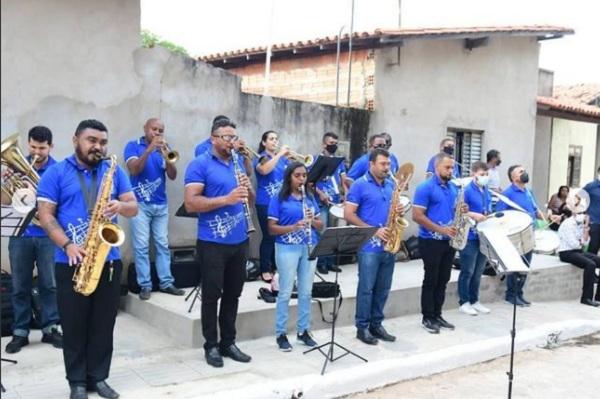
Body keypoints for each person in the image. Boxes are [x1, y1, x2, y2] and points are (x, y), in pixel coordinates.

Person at [37, 119, 138, 399]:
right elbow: (45, 216)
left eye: (103, 142)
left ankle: (99, 377)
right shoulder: (56, 173)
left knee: (104, 324)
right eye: (92, 140)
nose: (98, 147)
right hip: (70, 259)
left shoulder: (113, 170)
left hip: (108, 259)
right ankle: (77, 382)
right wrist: (68, 245)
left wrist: (121, 205)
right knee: (74, 324)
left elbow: (133, 207)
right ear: (75, 140)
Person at [184, 117, 253, 368]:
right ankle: (211, 345)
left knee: (234, 294)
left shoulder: (238, 163)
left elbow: (250, 201)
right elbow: (191, 203)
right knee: (212, 295)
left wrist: (247, 185)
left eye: (234, 137)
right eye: (226, 137)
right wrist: (227, 199)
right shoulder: (199, 164)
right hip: (212, 241)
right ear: (213, 139)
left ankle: (228, 342)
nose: (231, 142)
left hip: (240, 239)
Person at [2, 126, 63, 354]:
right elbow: (5, 202)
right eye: (33, 147)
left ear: (51, 147)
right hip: (20, 235)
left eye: (42, 148)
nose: (37, 152)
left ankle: (51, 328)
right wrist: (6, 182)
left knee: (49, 284)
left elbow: (60, 204)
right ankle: (20, 332)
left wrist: (38, 195)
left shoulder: (57, 170)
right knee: (19, 286)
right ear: (28, 144)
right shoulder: (15, 167)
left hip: (47, 235)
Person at [344, 148, 406, 345]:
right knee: (366, 288)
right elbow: (349, 214)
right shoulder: (359, 185)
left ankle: (376, 325)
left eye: (389, 164)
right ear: (371, 164)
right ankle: (362, 327)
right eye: (383, 164)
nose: (387, 168)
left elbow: (392, 211)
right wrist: (373, 230)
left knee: (383, 288)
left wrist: (399, 211)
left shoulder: (390, 185)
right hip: (369, 246)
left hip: (388, 244)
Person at [124, 118, 185, 300]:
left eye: (161, 130)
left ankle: (166, 283)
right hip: (140, 204)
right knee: (141, 246)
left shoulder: (163, 149)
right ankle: (145, 285)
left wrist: (168, 159)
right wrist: (150, 150)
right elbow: (134, 169)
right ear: (145, 129)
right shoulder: (133, 146)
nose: (158, 133)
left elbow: (173, 176)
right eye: (154, 129)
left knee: (162, 245)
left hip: (161, 204)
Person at [268, 162, 323, 351]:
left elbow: (320, 225)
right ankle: (281, 333)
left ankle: (303, 330)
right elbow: (271, 228)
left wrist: (312, 220)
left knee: (306, 292)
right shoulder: (279, 198)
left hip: (308, 246)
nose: (302, 179)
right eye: (297, 175)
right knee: (285, 292)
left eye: (304, 176)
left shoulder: (309, 198)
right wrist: (293, 227)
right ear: (289, 177)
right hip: (286, 248)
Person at [413, 152, 466, 334]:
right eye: (447, 167)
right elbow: (417, 216)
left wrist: (462, 210)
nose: (451, 171)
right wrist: (440, 229)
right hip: (430, 240)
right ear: (437, 168)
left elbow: (453, 211)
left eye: (452, 167)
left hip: (448, 241)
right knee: (431, 279)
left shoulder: (453, 188)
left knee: (443, 279)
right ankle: (427, 317)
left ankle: (438, 314)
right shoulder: (425, 187)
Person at [496, 164, 547, 307]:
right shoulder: (507, 194)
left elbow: (535, 210)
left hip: (529, 232)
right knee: (516, 265)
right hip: (515, 235)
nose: (524, 173)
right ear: (513, 177)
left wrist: (546, 217)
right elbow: (499, 214)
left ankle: (519, 293)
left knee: (525, 265)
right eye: (521, 172)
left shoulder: (528, 192)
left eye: (524, 171)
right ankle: (511, 295)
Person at [457, 161, 492, 316]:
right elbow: (459, 210)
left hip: (483, 235)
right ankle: (464, 301)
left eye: (486, 174)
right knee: (468, 270)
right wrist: (473, 215)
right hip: (469, 235)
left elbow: (488, 208)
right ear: (473, 174)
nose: (484, 177)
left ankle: (475, 300)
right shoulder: (466, 190)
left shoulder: (486, 190)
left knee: (479, 270)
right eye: (481, 174)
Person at [254, 130, 289, 282]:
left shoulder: (282, 160)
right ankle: (265, 269)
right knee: (269, 236)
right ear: (264, 142)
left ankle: (276, 267)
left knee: (279, 236)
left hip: (280, 202)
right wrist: (280, 154)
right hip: (265, 202)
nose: (275, 141)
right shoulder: (260, 157)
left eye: (276, 139)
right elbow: (264, 170)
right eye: (271, 139)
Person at [312, 132, 347, 274]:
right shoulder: (316, 160)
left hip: (336, 201)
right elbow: (310, 182)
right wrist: (320, 194)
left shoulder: (339, 161)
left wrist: (346, 193)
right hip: (322, 202)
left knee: (335, 233)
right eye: (331, 143)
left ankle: (331, 261)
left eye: (336, 143)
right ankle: (321, 263)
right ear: (324, 144)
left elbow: (343, 178)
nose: (334, 146)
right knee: (323, 232)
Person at [557, 207, 600, 306]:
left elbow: (585, 243)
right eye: (584, 215)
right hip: (566, 252)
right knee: (590, 264)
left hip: (578, 251)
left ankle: (599, 297)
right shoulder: (568, 224)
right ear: (576, 215)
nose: (586, 218)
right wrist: (582, 241)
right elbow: (574, 244)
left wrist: (585, 232)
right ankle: (586, 298)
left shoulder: (582, 224)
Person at [582, 167, 600, 255]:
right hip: (594, 223)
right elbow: (577, 198)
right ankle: (590, 268)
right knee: (593, 248)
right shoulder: (591, 186)